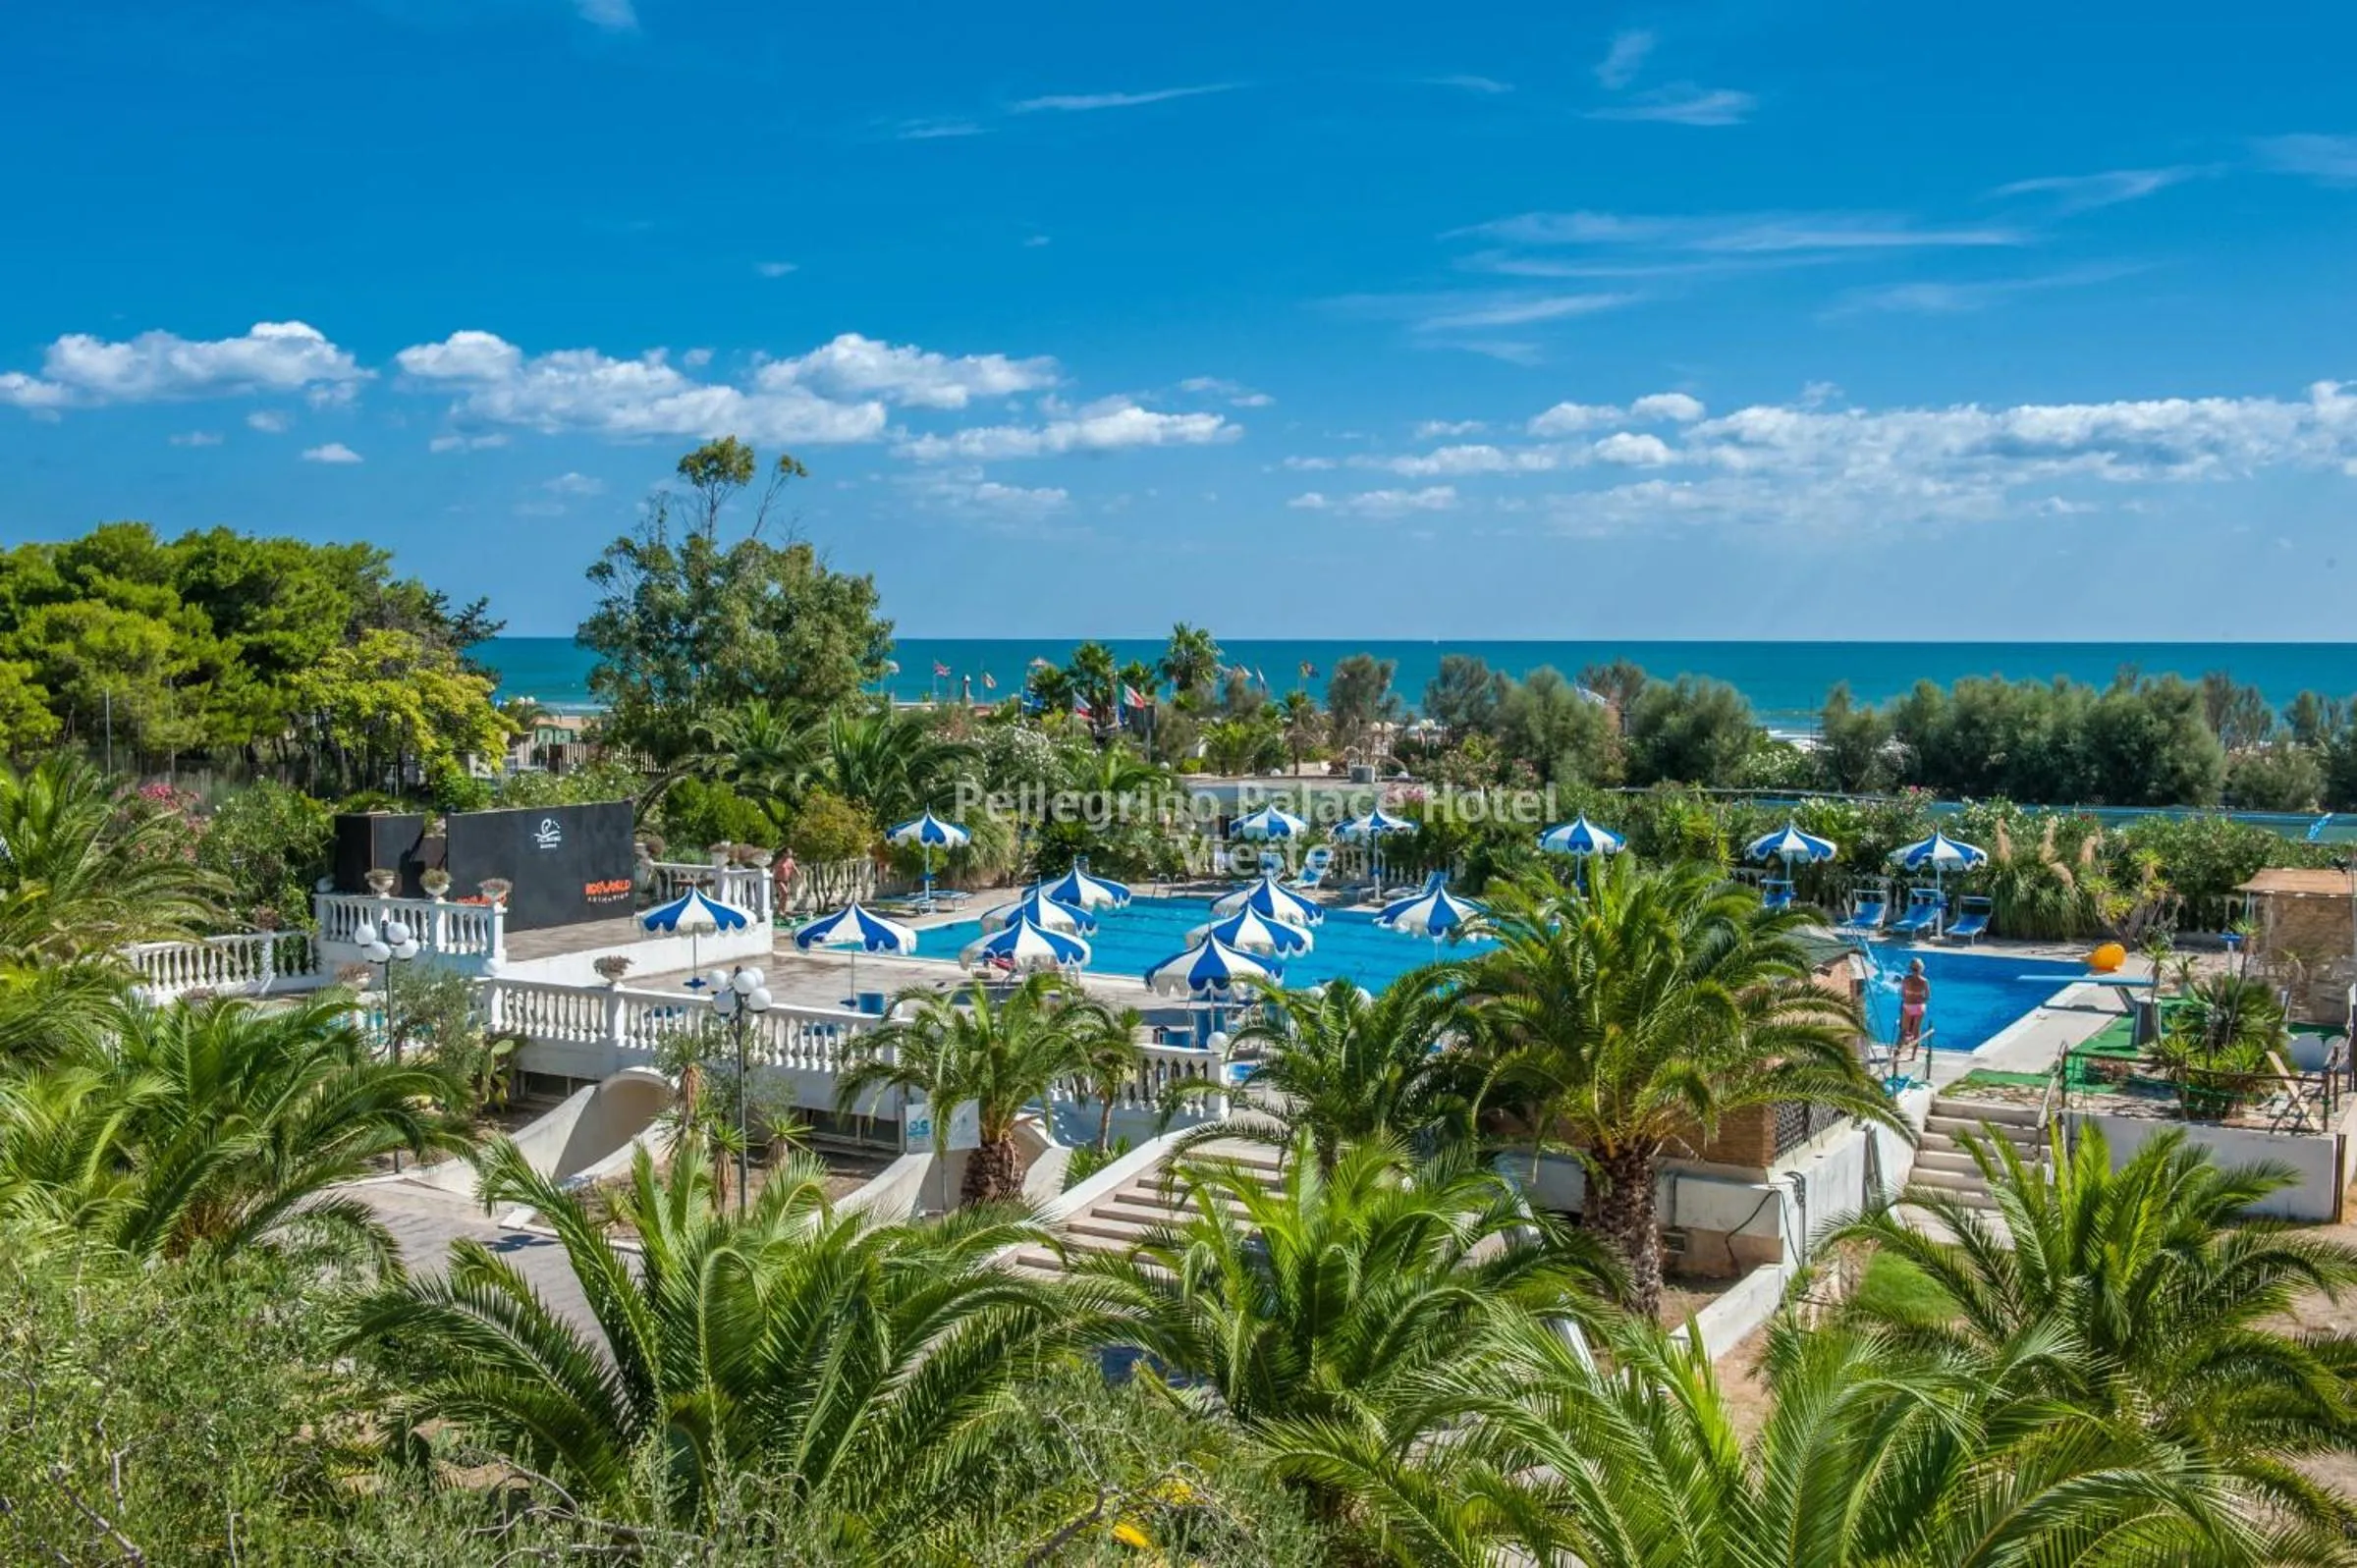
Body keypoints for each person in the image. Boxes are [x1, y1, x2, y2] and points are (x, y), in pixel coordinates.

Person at [1898, 957, 1931, 1052]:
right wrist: (1919, 998)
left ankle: (1898, 1052)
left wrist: (1910, 995)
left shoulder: (1906, 979)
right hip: (1919, 1007)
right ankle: (1913, 1056)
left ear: (1910, 968)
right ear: (1921, 969)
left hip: (1908, 1006)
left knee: (1904, 1031)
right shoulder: (1924, 981)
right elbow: (1928, 997)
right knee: (1916, 1032)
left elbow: (1902, 994)